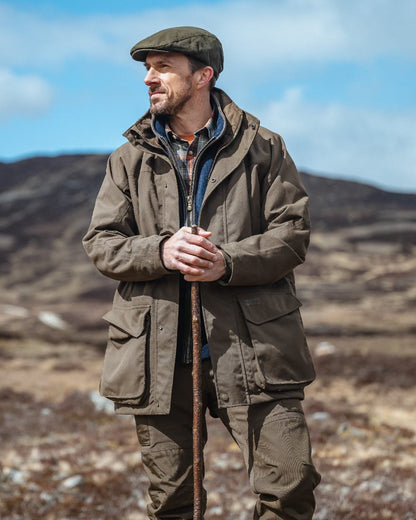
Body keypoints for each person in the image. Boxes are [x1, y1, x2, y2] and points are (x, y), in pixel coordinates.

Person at [83, 26, 320, 520]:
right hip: (159, 356)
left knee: (290, 489)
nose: (149, 78)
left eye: (163, 67)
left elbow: (291, 233)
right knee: (172, 504)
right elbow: (102, 244)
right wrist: (161, 251)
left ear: (203, 76)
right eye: (147, 68)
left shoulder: (264, 148)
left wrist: (227, 262)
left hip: (254, 350)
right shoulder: (127, 160)